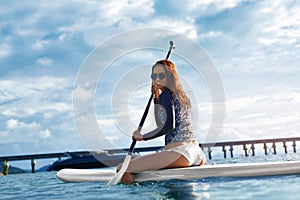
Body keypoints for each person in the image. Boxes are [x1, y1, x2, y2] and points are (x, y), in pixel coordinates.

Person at [117, 59, 207, 183]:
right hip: (197, 153)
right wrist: (156, 99)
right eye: (154, 76)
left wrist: (142, 137)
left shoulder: (167, 95)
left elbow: (168, 126)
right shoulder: (181, 96)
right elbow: (161, 123)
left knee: (122, 169)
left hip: (181, 153)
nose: (157, 79)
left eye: (161, 75)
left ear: (170, 76)